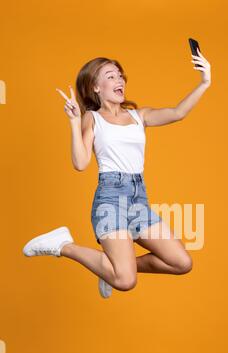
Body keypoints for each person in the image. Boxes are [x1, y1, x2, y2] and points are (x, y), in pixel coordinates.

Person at [23, 48, 211, 298]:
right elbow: (80, 163)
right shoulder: (93, 118)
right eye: (111, 76)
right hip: (111, 198)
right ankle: (63, 245)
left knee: (181, 263)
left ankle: (108, 270)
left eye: (120, 75)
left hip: (138, 200)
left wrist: (205, 82)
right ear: (96, 87)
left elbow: (178, 112)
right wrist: (73, 121)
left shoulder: (138, 116)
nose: (119, 80)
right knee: (125, 281)